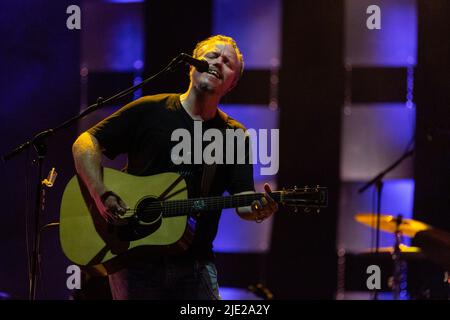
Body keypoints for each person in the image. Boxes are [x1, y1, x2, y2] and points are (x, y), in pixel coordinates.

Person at [72, 35, 278, 300]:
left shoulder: (235, 136)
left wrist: (260, 209)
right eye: (212, 55)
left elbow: (243, 202)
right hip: (134, 259)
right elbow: (84, 143)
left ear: (232, 84)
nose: (218, 63)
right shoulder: (150, 110)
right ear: (191, 64)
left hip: (195, 263)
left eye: (228, 63)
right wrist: (101, 193)